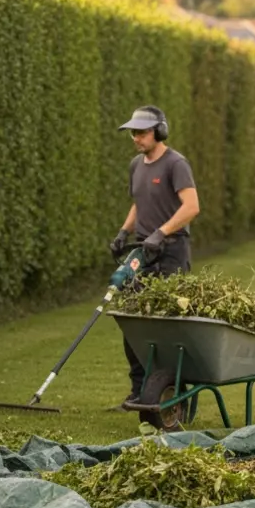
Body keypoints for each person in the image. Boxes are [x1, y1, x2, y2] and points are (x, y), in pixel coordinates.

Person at [109, 105, 201, 407]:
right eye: (133, 133)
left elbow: (191, 206)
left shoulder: (176, 164)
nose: (136, 138)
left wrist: (161, 232)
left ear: (159, 131)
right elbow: (140, 202)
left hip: (171, 251)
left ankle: (172, 390)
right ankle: (138, 389)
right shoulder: (136, 165)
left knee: (168, 324)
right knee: (133, 319)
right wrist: (124, 232)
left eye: (142, 132)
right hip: (143, 252)